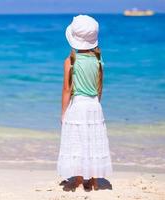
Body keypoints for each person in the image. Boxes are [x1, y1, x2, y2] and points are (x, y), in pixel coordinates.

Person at [57, 15, 113, 191]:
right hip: (95, 105)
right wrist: (97, 104)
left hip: (78, 106)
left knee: (78, 142)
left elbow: (67, 90)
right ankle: (94, 180)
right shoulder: (98, 61)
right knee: (93, 141)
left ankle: (79, 179)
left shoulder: (70, 61)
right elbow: (100, 87)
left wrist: (63, 112)